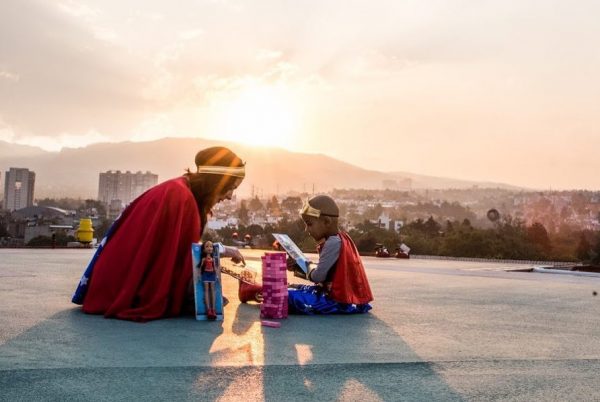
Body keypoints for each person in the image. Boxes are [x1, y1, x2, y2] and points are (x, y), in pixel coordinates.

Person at [72, 146, 246, 322]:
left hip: (113, 281)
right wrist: (221, 250)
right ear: (217, 182)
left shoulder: (181, 189)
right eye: (231, 187)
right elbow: (177, 260)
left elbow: (175, 253)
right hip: (121, 287)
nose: (231, 196)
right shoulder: (181, 197)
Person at [287, 195, 374, 314]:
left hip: (336, 301)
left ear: (327, 222)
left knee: (285, 295)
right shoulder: (341, 238)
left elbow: (318, 277)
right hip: (343, 297)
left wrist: (301, 266)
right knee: (292, 287)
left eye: (309, 224)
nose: (307, 230)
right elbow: (325, 271)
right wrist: (299, 266)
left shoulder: (332, 243)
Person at [199, 241, 218, 320]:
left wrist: (216, 276)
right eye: (207, 246)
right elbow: (200, 268)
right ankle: (208, 310)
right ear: (203, 249)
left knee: (212, 291)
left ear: (213, 249)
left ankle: (213, 310)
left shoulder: (213, 259)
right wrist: (199, 276)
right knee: (206, 291)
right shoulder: (203, 259)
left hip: (212, 275)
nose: (209, 248)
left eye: (211, 246)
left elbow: (215, 268)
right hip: (205, 275)